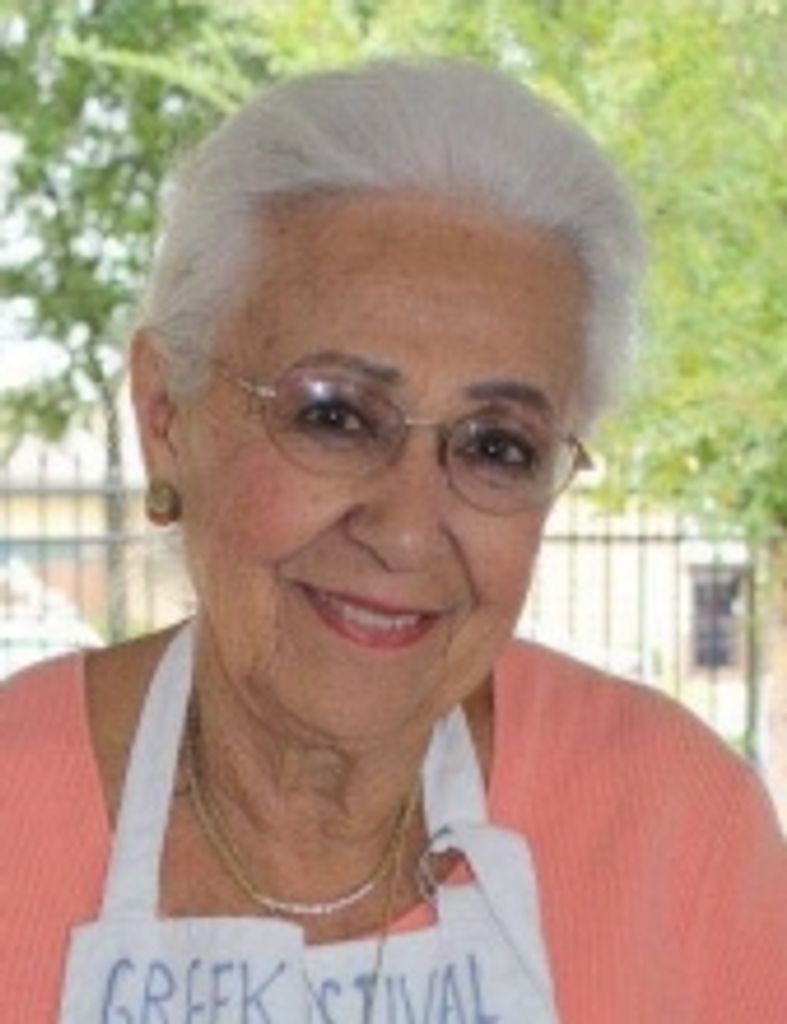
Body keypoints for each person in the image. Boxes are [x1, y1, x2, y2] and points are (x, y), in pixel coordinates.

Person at [0, 58, 784, 1024]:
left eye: (496, 446)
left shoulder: (677, 823)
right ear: (166, 415)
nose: (407, 531)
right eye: (333, 416)